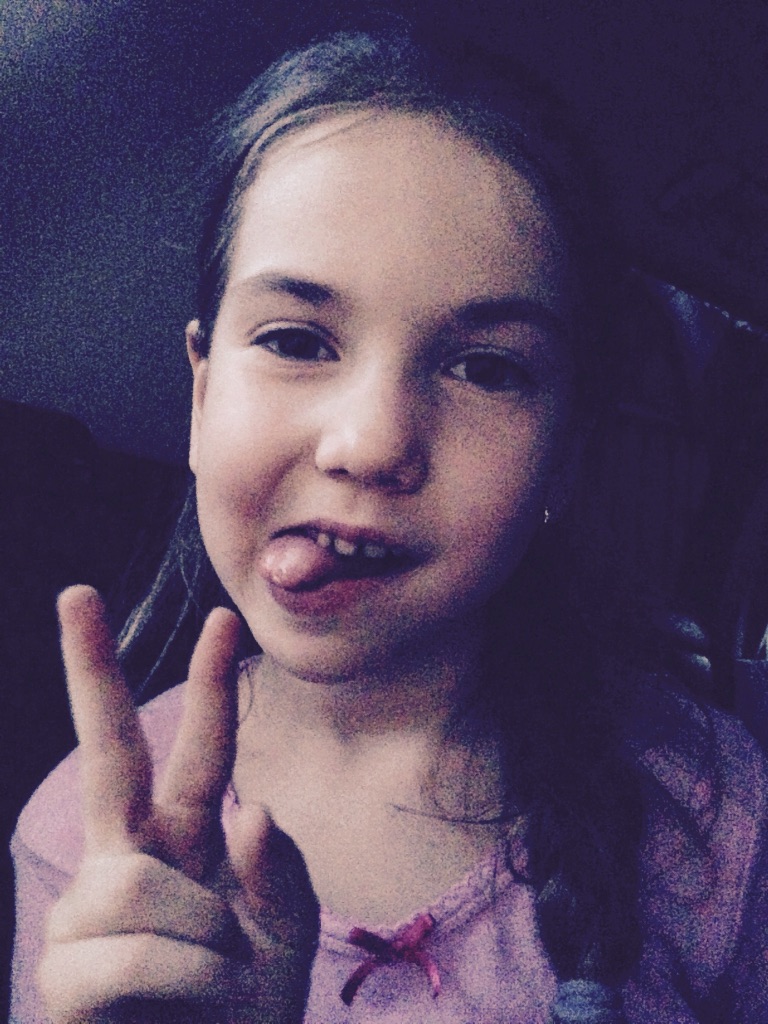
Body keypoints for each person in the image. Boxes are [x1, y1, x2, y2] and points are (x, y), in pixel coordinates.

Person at [9, 29, 768, 1024]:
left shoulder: (713, 806)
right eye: (296, 341)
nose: (369, 443)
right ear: (200, 397)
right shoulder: (84, 846)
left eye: (486, 367)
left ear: (566, 455)